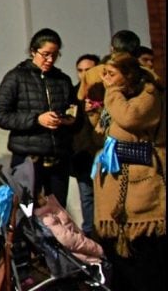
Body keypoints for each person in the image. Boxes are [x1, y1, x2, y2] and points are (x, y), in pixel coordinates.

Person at [92, 52, 166, 290]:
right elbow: (104, 128)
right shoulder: (120, 97)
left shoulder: (148, 95)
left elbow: (129, 117)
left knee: (143, 254)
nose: (107, 79)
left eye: (112, 74)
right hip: (115, 184)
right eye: (105, 73)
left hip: (141, 184)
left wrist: (111, 92)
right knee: (118, 257)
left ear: (129, 74)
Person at [0, 28, 77, 206]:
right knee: (26, 210)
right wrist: (37, 119)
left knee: (58, 212)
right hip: (28, 158)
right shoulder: (15, 77)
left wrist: (68, 120)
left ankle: (52, 236)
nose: (50, 60)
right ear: (33, 51)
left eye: (55, 55)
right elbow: (0, 116)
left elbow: (73, 110)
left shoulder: (63, 80)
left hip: (58, 157)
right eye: (45, 54)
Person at [70, 54, 101, 236]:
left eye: (88, 70)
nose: (83, 75)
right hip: (82, 154)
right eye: (80, 70)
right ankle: (90, 234)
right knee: (87, 196)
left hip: (104, 153)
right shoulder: (73, 94)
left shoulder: (107, 91)